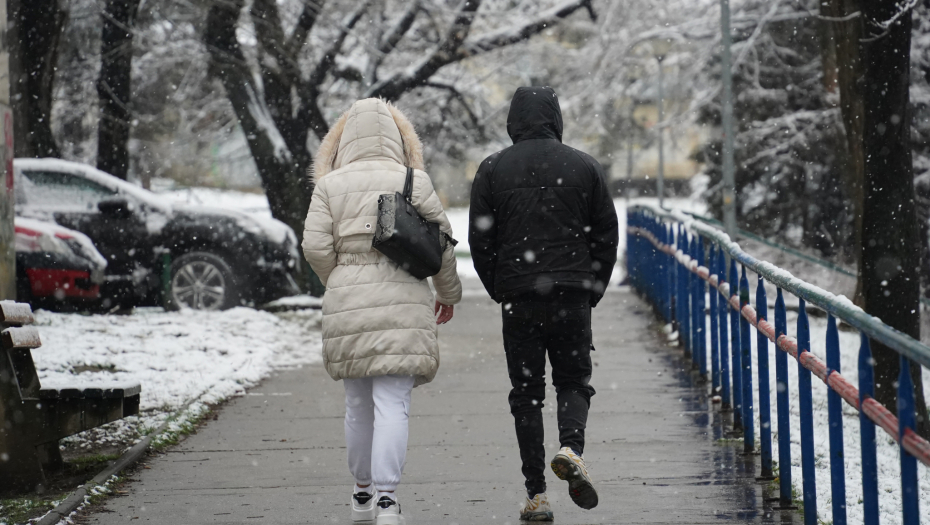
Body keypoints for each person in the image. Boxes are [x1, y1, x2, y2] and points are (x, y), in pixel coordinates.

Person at [303, 98, 462, 525]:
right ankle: (388, 500)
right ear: (397, 139)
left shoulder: (329, 186)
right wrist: (447, 293)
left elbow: (314, 247)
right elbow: (442, 242)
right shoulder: (413, 180)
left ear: (342, 142)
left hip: (348, 305)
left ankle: (361, 495)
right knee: (393, 404)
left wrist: (339, 279)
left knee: (357, 406)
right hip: (404, 301)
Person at [468, 86, 619, 522]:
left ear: (513, 121)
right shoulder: (584, 166)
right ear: (555, 118)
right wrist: (592, 287)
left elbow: (481, 240)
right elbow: (606, 234)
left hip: (519, 297)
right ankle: (571, 447)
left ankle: (536, 495)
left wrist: (500, 286)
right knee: (573, 380)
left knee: (526, 393)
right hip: (572, 294)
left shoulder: (493, 168)